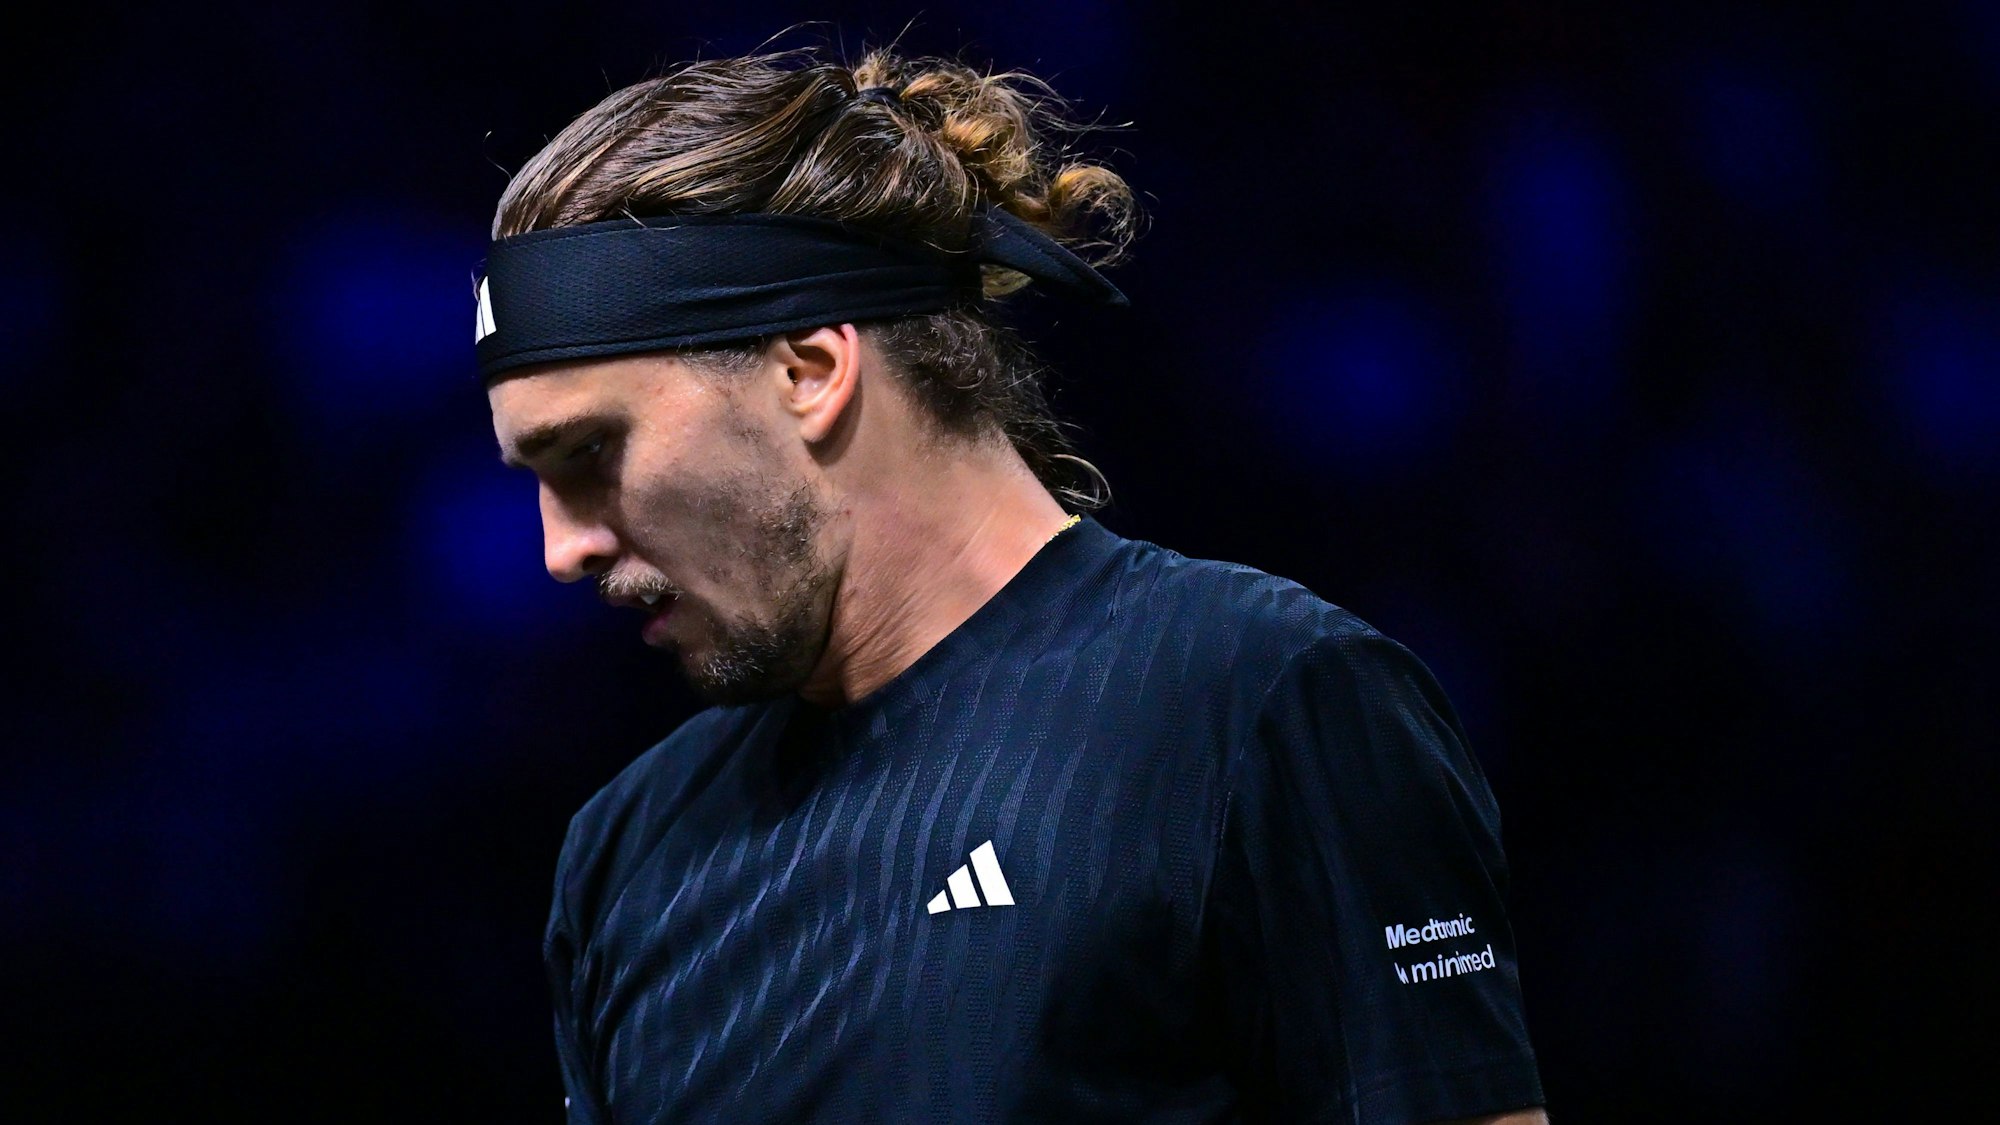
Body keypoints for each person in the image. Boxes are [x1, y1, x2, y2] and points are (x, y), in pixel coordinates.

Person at [478, 43, 1547, 1125]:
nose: (561, 549)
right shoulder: (627, 851)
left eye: (590, 455)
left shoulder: (1265, 700)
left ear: (808, 372)